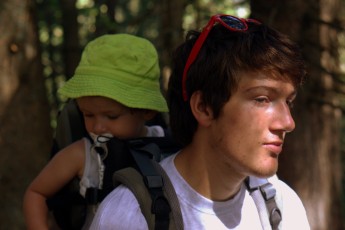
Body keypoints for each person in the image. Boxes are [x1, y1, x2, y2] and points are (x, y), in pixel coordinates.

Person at [90, 14, 310, 229]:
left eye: (288, 102)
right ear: (203, 107)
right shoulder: (129, 215)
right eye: (262, 99)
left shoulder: (281, 205)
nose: (287, 123)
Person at [23, 33, 168, 230]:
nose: (98, 127)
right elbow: (36, 194)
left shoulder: (166, 145)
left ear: (147, 111)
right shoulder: (83, 154)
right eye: (88, 115)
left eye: (111, 116)